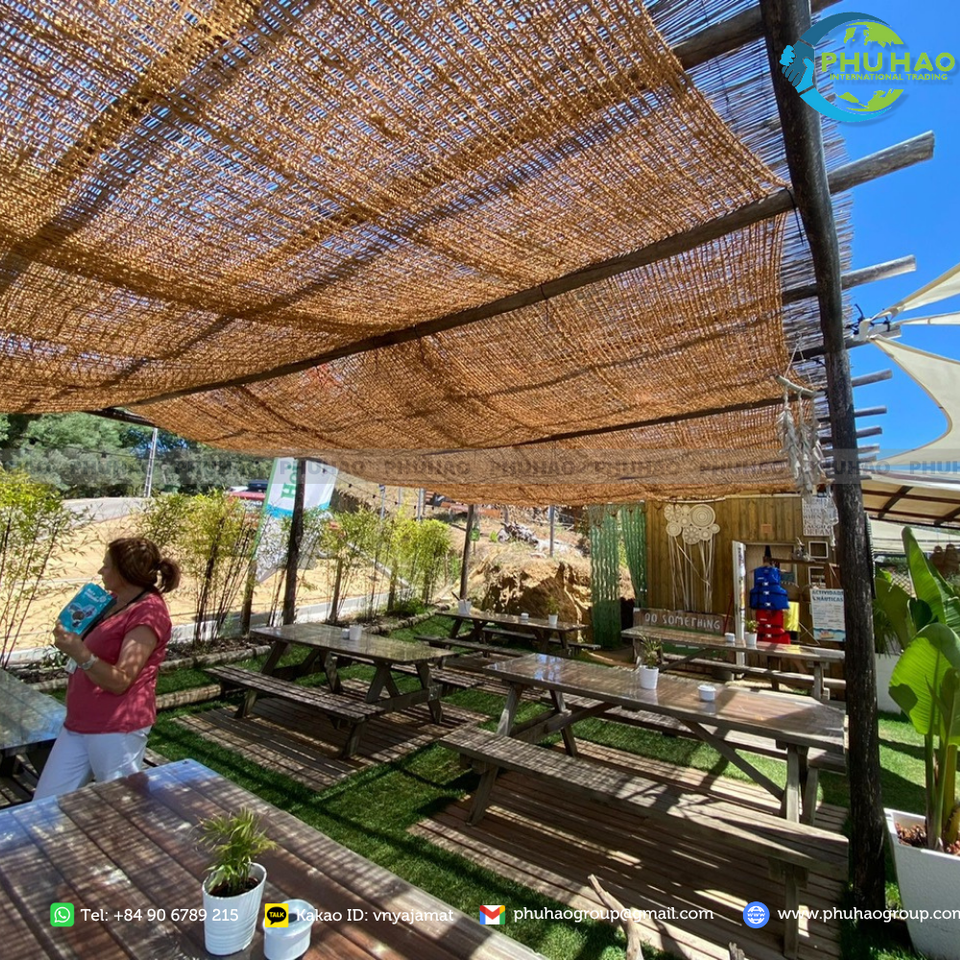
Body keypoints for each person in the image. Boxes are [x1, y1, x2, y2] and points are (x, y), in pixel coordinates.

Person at [33, 537, 180, 801]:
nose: (101, 571)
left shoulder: (148, 613)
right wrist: (70, 632)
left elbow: (121, 681)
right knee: (45, 806)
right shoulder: (110, 601)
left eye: (107, 565)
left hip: (116, 728)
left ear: (125, 572)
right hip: (79, 721)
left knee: (120, 807)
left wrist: (79, 652)